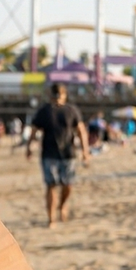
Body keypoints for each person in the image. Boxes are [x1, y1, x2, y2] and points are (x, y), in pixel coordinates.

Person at [25, 83, 89, 226]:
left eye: (59, 95)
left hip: (68, 153)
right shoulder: (44, 111)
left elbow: (81, 131)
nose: (57, 98)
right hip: (49, 154)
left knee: (68, 185)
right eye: (56, 95)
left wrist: (85, 151)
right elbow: (34, 131)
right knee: (51, 186)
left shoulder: (71, 110)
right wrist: (28, 148)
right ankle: (51, 218)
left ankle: (62, 206)